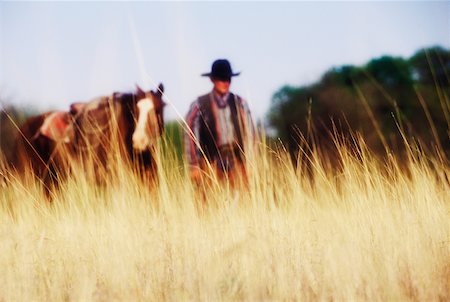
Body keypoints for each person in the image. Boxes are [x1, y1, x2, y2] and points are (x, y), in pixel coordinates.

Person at [184, 59, 255, 186]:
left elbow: (250, 133)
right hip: (210, 160)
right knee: (208, 200)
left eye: (228, 78)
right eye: (221, 79)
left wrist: (250, 162)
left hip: (237, 159)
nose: (225, 82)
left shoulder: (240, 103)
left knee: (243, 198)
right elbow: (189, 132)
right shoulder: (199, 104)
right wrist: (194, 164)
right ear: (212, 80)